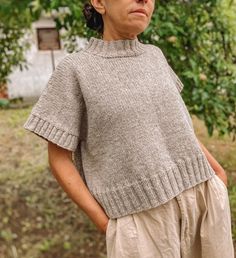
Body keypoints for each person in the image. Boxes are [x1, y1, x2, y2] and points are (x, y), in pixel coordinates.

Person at [23, 0, 235, 257]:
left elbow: (177, 126)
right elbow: (58, 158)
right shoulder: (75, 70)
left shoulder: (155, 55)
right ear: (99, 3)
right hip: (141, 223)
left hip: (203, 201)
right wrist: (105, 224)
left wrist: (216, 172)